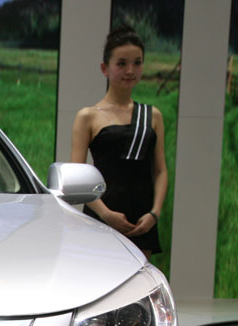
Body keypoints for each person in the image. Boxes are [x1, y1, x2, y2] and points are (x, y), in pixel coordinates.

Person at [71, 25, 167, 260]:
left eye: (137, 63)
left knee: (140, 279)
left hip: (142, 221)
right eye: (122, 63)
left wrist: (154, 214)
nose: (130, 70)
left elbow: (160, 171)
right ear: (105, 68)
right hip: (101, 219)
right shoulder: (87, 116)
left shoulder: (153, 116)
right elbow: (77, 177)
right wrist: (105, 214)